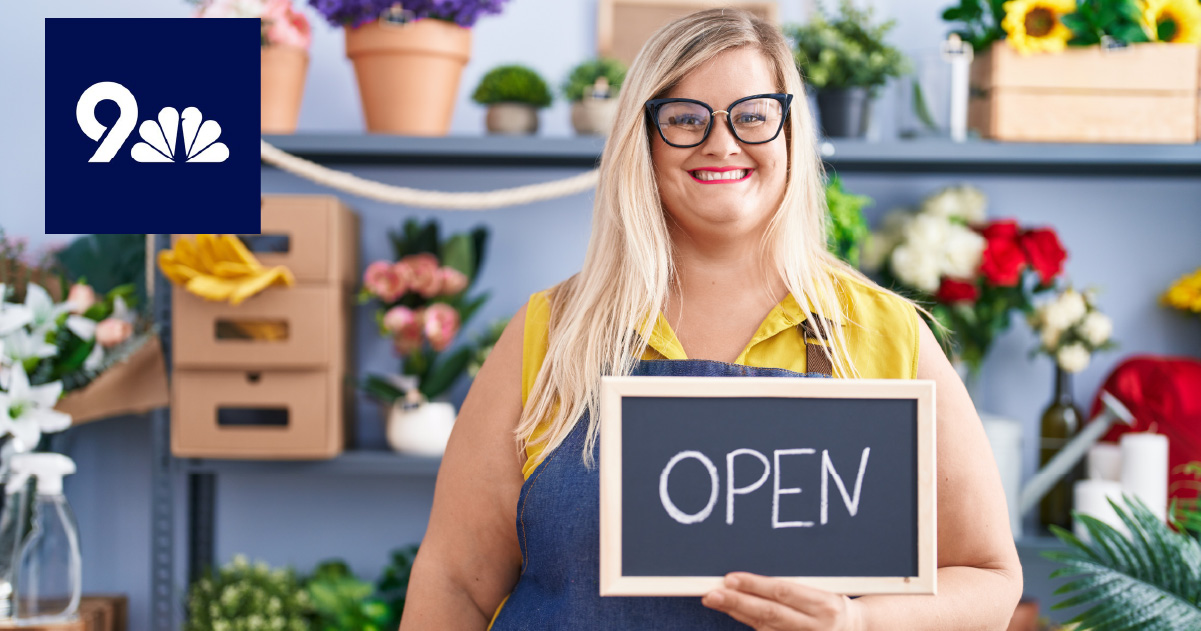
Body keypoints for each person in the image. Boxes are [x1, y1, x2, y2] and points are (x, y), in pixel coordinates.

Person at [400, 8, 1021, 630]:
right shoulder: (551, 333)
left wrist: (859, 624)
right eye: (685, 119)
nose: (721, 142)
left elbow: (991, 581)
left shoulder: (885, 332)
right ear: (642, 139)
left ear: (790, 132)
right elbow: (455, 582)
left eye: (752, 115)